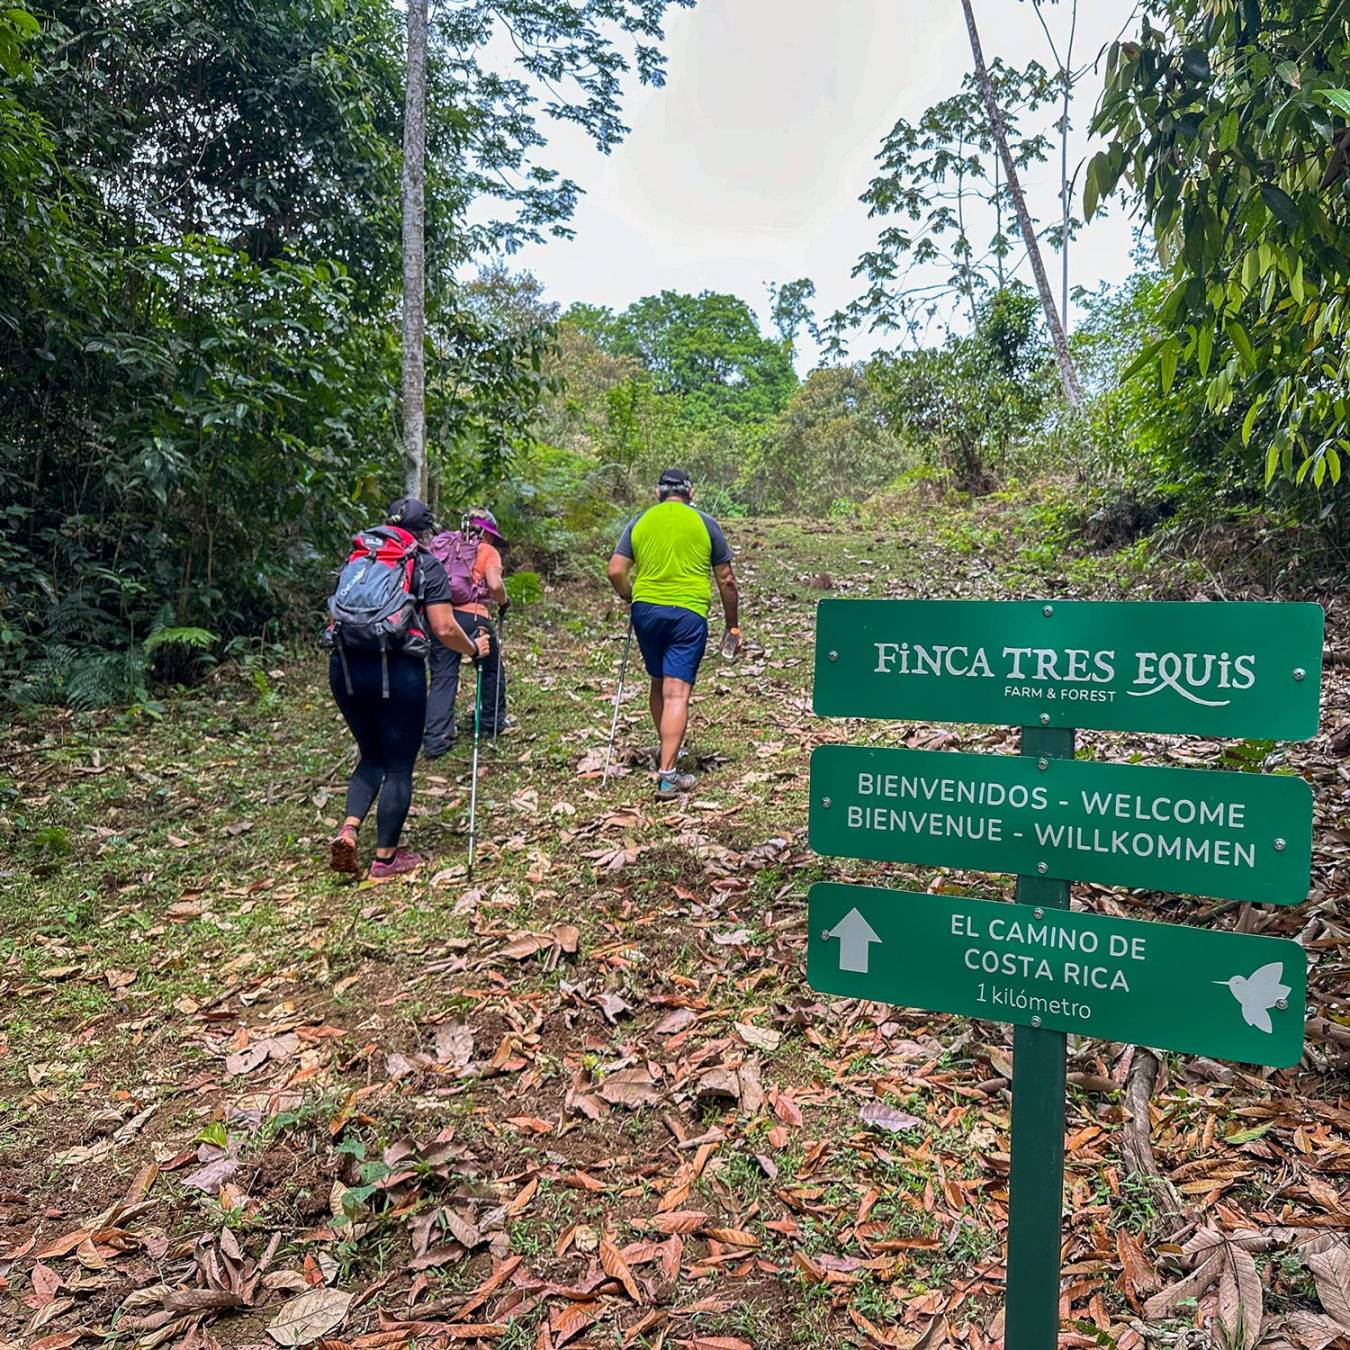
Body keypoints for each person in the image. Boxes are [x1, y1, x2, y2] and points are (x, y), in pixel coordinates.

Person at [328, 497, 490, 879]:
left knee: (370, 755)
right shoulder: (424, 564)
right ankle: (386, 858)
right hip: (397, 671)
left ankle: (349, 829)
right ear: (423, 532)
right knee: (399, 764)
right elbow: (445, 628)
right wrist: (474, 651)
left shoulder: (359, 558)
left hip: (346, 669)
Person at [606, 468, 740, 800]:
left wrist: (628, 594)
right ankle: (667, 776)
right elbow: (726, 579)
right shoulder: (706, 523)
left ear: (658, 493)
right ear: (690, 493)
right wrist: (732, 624)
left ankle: (669, 748)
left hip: (646, 611)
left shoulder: (639, 522)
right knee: (676, 693)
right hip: (688, 613)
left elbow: (615, 570)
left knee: (658, 680)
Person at [423, 508, 510, 757]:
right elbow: (494, 585)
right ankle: (490, 724)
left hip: (442, 617)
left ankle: (436, 739)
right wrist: (504, 602)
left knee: (443, 675)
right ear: (486, 533)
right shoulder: (487, 551)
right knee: (491, 668)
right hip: (474, 617)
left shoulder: (443, 546)